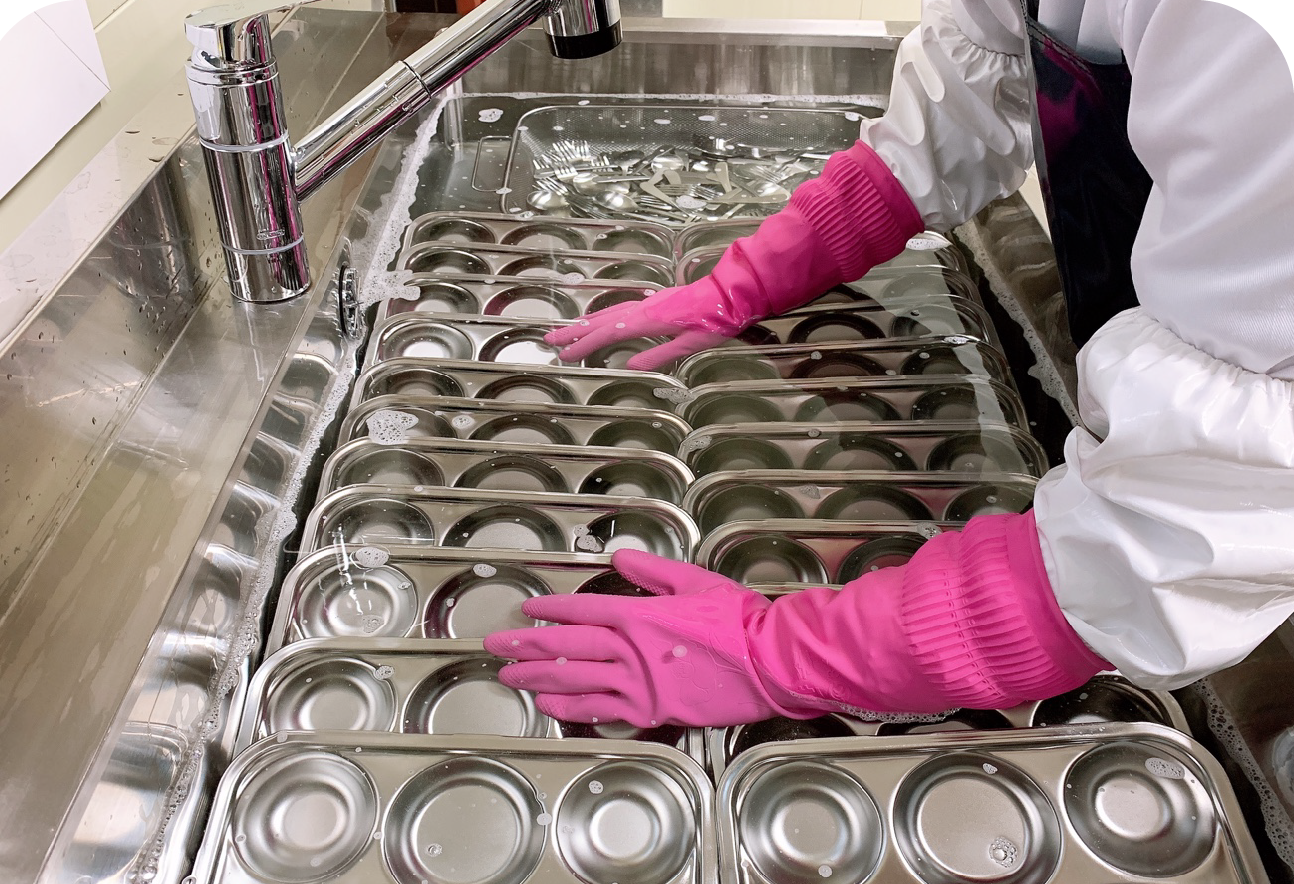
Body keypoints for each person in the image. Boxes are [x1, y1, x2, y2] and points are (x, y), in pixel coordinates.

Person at [483, 0, 1294, 729]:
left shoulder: (1253, 36)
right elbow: (970, 92)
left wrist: (785, 656)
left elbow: (1209, 516)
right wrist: (750, 279)